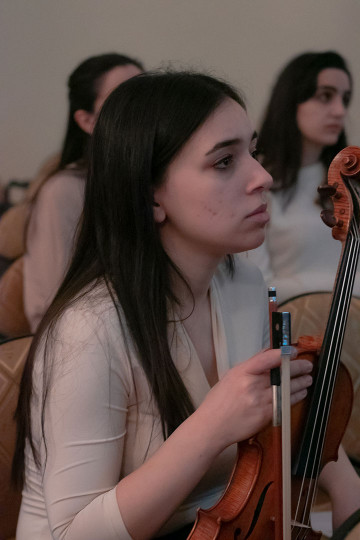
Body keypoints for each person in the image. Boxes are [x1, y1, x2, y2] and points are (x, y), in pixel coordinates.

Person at [12, 71, 360, 540]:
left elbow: (265, 443)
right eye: (223, 162)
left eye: (252, 152)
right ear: (152, 196)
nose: (262, 177)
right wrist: (211, 426)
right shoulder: (88, 329)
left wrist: (344, 481)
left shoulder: (243, 285)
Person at [23, 52, 144, 333]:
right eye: (122, 100)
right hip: (77, 342)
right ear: (87, 121)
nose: (140, 110)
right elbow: (57, 303)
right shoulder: (64, 191)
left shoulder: (149, 181)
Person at [248, 51, 357, 304]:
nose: (340, 111)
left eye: (345, 99)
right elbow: (258, 286)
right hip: (286, 330)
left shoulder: (351, 183)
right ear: (292, 100)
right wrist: (339, 287)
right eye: (325, 96)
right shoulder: (257, 178)